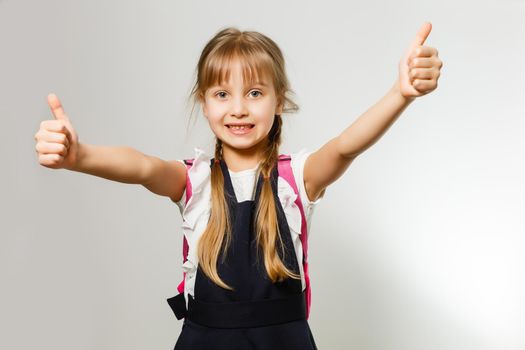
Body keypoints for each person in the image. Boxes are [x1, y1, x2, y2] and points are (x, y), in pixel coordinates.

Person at [34, 23, 443, 350]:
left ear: (278, 100)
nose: (238, 108)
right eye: (222, 93)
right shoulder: (193, 180)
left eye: (254, 92)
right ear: (204, 102)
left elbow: (344, 147)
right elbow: (143, 167)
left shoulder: (296, 178)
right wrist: (80, 156)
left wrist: (399, 95)